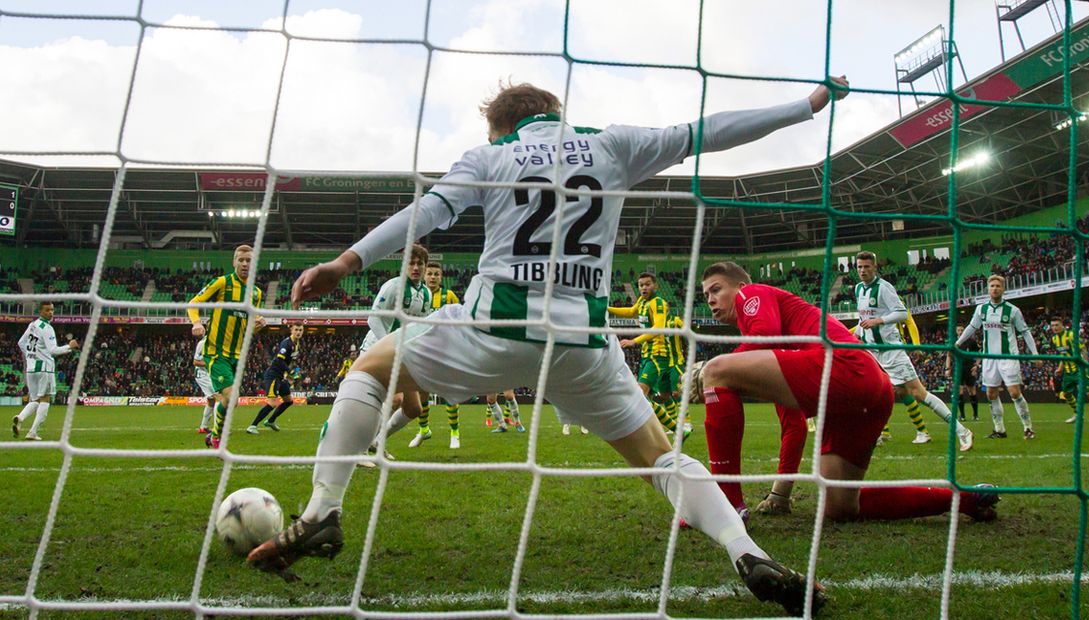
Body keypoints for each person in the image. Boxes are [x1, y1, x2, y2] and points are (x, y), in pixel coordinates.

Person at [248, 78, 855, 615]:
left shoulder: (492, 153)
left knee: (373, 367)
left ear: (503, 124)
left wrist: (345, 260)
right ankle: (745, 551)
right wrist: (805, 106)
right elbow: (706, 132)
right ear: (554, 112)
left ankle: (325, 509)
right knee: (659, 458)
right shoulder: (611, 144)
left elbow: (426, 213)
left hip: (493, 328)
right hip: (583, 343)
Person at [697, 262, 999, 525]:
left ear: (740, 286)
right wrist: (780, 494)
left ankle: (728, 506)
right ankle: (966, 499)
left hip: (842, 367)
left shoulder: (753, 293)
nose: (710, 299)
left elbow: (764, 339)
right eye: (705, 295)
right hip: (869, 389)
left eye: (716, 289)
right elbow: (794, 423)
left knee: (714, 369)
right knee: (841, 507)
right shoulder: (781, 351)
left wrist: (707, 373)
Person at [853, 252, 972, 451]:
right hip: (872, 352)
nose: (863, 271)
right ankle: (879, 434)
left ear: (875, 267)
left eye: (866, 267)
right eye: (859, 267)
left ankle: (962, 431)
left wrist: (878, 321)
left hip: (892, 351)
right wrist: (854, 335)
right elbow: (862, 319)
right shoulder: (858, 289)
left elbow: (902, 313)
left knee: (918, 393)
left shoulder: (884, 288)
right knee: (874, 393)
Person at [188, 244, 265, 449]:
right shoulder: (222, 283)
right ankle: (216, 440)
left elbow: (250, 329)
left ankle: (213, 434)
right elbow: (194, 303)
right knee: (231, 397)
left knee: (230, 401)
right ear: (234, 262)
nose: (245, 264)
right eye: (241, 260)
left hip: (238, 356)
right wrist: (196, 323)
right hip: (216, 353)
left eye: (249, 260)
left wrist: (258, 325)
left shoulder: (255, 293)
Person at [360, 244, 433, 450]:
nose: (416, 267)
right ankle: (360, 448)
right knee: (395, 399)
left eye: (420, 264)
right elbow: (373, 319)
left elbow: (421, 327)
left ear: (425, 267)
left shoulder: (426, 293)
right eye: (411, 263)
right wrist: (389, 346)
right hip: (378, 349)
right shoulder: (393, 286)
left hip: (403, 353)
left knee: (413, 408)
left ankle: (376, 443)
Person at [955, 275, 1041, 440]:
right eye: (992, 286)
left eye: (998, 286)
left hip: (1008, 357)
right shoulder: (981, 309)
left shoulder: (1013, 310)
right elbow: (972, 327)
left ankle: (1028, 428)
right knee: (991, 394)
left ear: (1003, 289)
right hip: (989, 358)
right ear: (988, 289)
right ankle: (999, 429)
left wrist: (1035, 353)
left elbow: (1025, 332)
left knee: (1014, 392)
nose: (994, 288)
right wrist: (958, 343)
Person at [609, 273, 681, 435]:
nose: (643, 288)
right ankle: (677, 429)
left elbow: (659, 328)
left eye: (647, 284)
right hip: (647, 354)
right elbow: (630, 311)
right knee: (650, 396)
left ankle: (671, 428)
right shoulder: (642, 301)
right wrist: (606, 308)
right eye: (641, 285)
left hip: (658, 354)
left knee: (641, 394)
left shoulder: (658, 303)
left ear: (655, 286)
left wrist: (634, 341)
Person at [12, 302, 78, 440]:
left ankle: (20, 417)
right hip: (44, 369)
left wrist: (31, 357)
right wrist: (69, 346)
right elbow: (53, 350)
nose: (51, 313)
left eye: (52, 310)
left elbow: (21, 343)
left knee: (35, 399)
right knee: (46, 400)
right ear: (40, 311)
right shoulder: (47, 328)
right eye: (47, 310)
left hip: (31, 369)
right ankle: (33, 432)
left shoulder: (32, 325)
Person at [422, 261, 464, 448]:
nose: (432, 277)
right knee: (420, 393)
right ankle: (423, 430)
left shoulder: (450, 296)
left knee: (449, 393)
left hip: (446, 351)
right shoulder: (418, 295)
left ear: (441, 277)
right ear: (424, 276)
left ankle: (454, 432)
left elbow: (462, 317)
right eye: (429, 273)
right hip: (422, 349)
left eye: (436, 274)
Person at [248, 323, 304, 434]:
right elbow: (279, 360)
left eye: (301, 330)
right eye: (296, 329)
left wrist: (290, 373)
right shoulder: (286, 343)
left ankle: (271, 420)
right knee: (272, 403)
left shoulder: (297, 344)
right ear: (291, 330)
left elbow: (289, 360)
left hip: (281, 376)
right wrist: (290, 372)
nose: (298, 332)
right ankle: (252, 426)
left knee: (288, 401)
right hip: (273, 375)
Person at [1048, 316, 1089, 425]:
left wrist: (1084, 365)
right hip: (1068, 372)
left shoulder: (1071, 335)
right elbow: (1063, 355)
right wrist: (1060, 368)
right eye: (1052, 325)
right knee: (1067, 394)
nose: (1054, 327)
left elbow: (1083, 349)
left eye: (1056, 325)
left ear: (1062, 325)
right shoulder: (1055, 339)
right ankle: (1078, 415)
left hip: (1079, 369)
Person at [945, 325, 980, 422]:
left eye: (962, 330)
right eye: (959, 330)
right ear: (956, 332)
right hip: (957, 368)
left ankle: (975, 414)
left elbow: (979, 354)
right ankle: (962, 415)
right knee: (959, 391)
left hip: (969, 368)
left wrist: (976, 365)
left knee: (972, 391)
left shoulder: (971, 342)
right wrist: (948, 368)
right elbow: (948, 355)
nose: (960, 331)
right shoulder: (954, 342)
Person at [193, 335, 216, 434]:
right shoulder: (203, 343)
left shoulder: (217, 341)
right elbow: (196, 362)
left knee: (212, 400)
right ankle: (219, 429)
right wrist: (212, 363)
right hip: (203, 375)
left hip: (210, 374)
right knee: (219, 397)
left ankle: (203, 427)